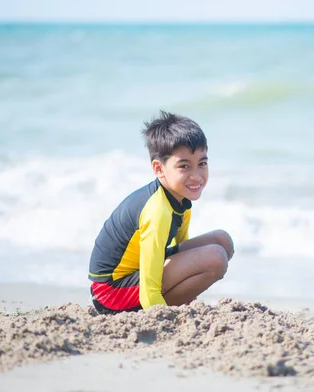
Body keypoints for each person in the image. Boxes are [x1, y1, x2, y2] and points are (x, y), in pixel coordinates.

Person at [88, 110, 234, 314]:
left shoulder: (180, 198)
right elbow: (149, 289)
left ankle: (179, 304)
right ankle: (165, 309)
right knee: (215, 257)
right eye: (184, 166)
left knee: (222, 241)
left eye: (202, 163)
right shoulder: (157, 211)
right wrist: (161, 317)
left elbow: (181, 252)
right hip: (111, 293)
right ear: (159, 169)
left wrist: (190, 296)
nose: (196, 176)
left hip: (136, 277)